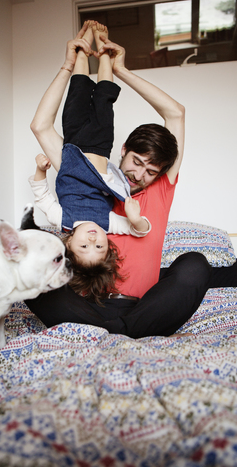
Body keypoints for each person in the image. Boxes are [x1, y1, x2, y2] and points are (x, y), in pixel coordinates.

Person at [26, 27, 237, 338]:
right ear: (124, 150)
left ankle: (116, 332)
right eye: (137, 163)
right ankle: (120, 332)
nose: (140, 175)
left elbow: (176, 114)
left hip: (149, 306)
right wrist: (67, 64)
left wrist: (120, 70)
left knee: (196, 264)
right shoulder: (84, 175)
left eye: (151, 171)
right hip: (88, 307)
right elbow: (42, 126)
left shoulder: (158, 190)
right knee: (28, 275)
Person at [29, 21, 151, 304]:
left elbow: (42, 196)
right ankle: (103, 45)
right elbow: (139, 229)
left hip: (73, 145)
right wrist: (135, 220)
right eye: (100, 246)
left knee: (79, 91)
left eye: (86, 245)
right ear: (108, 245)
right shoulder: (107, 223)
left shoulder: (62, 220)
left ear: (68, 242)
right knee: (104, 97)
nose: (94, 238)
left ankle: (82, 48)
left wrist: (39, 170)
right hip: (100, 144)